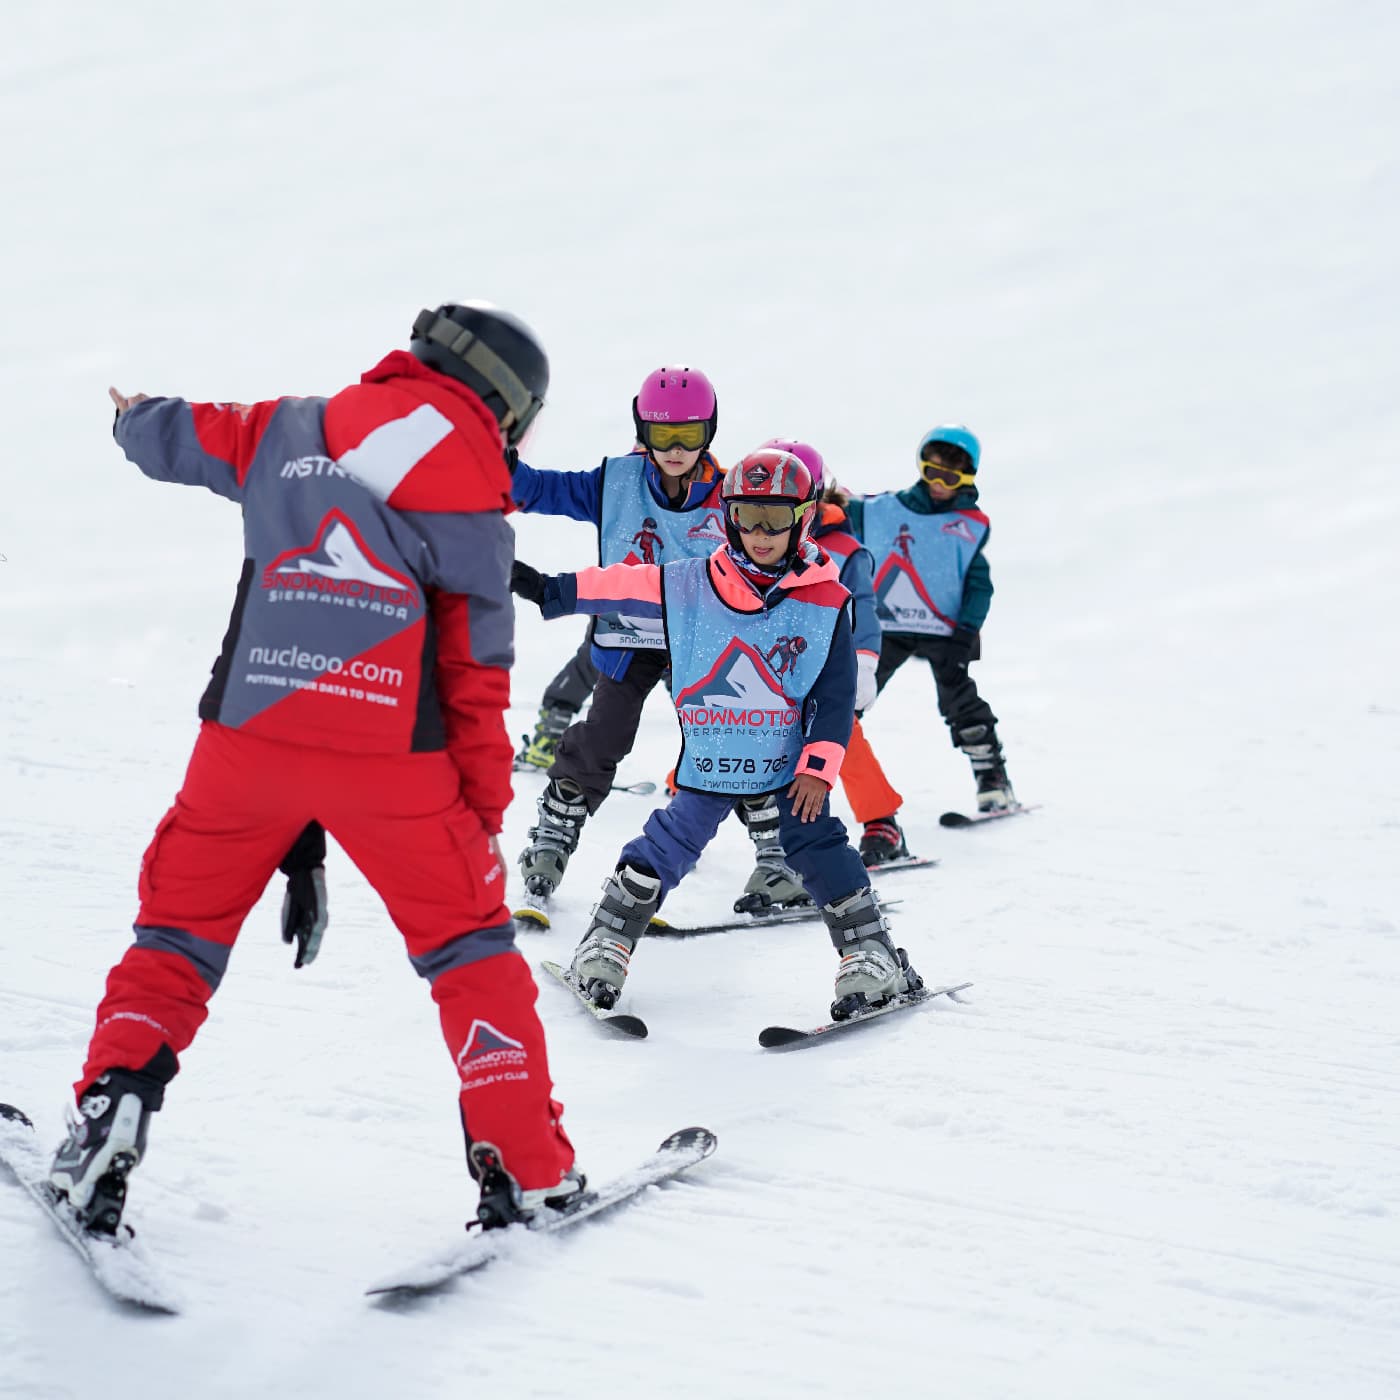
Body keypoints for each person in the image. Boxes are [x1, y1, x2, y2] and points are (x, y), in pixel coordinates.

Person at [48, 302, 579, 1236]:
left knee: (176, 935)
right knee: (470, 954)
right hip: (395, 768)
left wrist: (133, 418)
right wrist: (480, 822)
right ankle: (525, 1165)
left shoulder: (291, 426)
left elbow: (186, 435)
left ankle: (112, 1104)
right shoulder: (477, 498)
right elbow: (474, 681)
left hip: (245, 741)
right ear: (503, 400)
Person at [511, 447, 924, 1021]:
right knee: (664, 846)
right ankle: (605, 945)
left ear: (803, 518)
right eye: (748, 517)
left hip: (786, 769)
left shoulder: (826, 601)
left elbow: (833, 701)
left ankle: (870, 954)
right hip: (710, 763)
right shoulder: (694, 581)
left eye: (776, 518)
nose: (761, 533)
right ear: (729, 516)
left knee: (818, 845)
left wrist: (817, 768)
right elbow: (623, 586)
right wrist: (546, 588)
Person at [508, 367, 728, 904]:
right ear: (642, 431)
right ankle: (554, 834)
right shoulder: (615, 483)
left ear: (710, 432)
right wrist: (497, 455)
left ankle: (774, 850)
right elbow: (538, 490)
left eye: (689, 437)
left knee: (728, 739)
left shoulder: (732, 496)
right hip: (629, 635)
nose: (675, 450)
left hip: (700, 642)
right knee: (603, 736)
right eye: (661, 436)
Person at [840, 425, 1015, 858]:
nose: (940, 485)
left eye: (952, 478)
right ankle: (831, 770)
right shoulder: (881, 510)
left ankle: (992, 777)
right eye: (932, 473)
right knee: (848, 698)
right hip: (886, 626)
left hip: (945, 631)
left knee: (958, 699)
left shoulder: (969, 526)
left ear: (969, 478)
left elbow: (980, 586)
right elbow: (838, 511)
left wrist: (967, 634)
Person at [729, 439, 885, 910]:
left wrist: (866, 663)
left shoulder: (842, 549)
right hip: (768, 682)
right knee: (743, 762)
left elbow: (865, 608)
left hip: (823, 676)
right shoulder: (747, 547)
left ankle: (881, 821)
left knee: (839, 748)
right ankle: (772, 856)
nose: (766, 524)